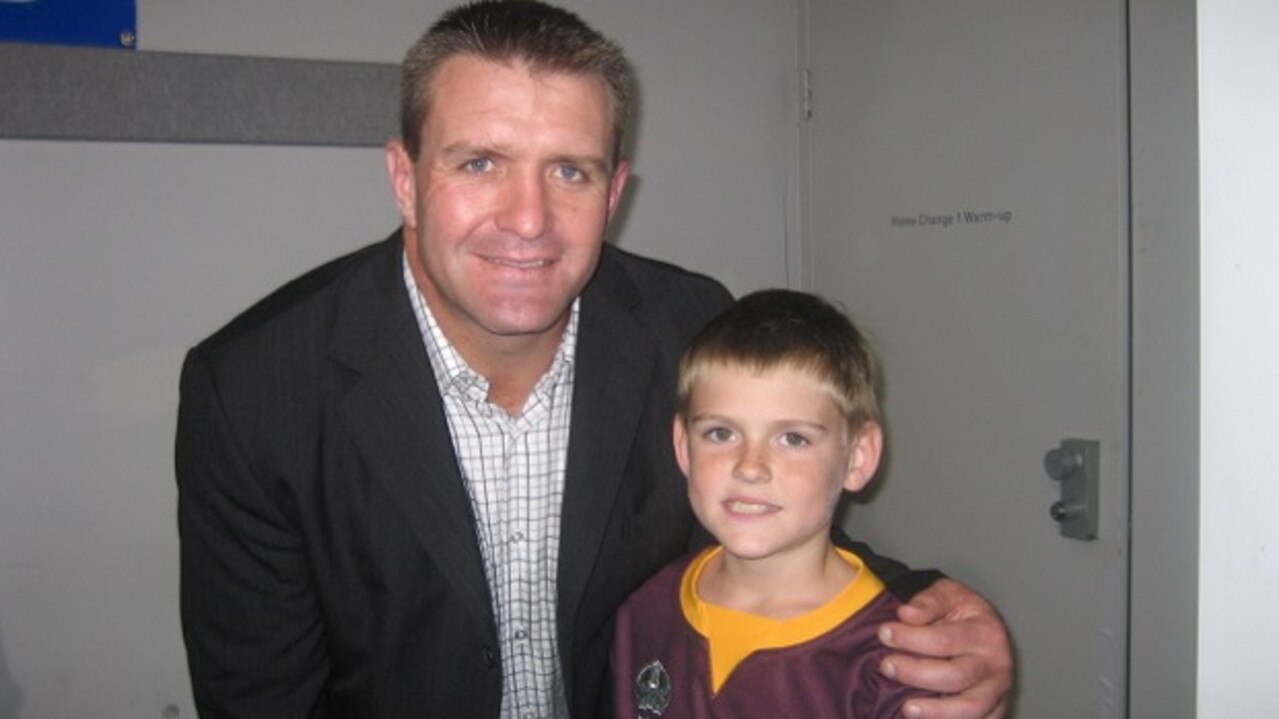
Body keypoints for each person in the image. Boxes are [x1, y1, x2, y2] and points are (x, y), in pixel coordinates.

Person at [175, 2, 1011, 718]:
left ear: (613, 194)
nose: (529, 219)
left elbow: (776, 526)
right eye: (479, 163)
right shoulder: (253, 392)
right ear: (404, 176)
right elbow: (263, 698)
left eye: (568, 171)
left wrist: (928, 611)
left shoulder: (686, 324)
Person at [613, 289, 929, 717]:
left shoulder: (896, 664)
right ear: (683, 446)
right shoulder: (646, 610)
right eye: (721, 433)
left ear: (857, 457)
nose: (750, 467)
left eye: (793, 439)